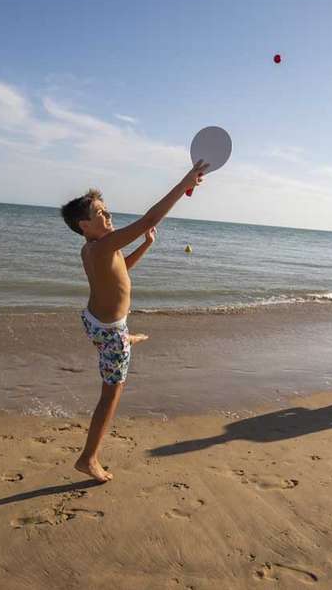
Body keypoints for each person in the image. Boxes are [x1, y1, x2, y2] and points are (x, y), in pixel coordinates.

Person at [59, 160, 209, 482]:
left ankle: (124, 340)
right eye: (100, 213)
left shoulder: (93, 249)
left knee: (115, 345)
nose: (108, 216)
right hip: (109, 330)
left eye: (106, 210)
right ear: (85, 225)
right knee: (111, 394)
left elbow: (121, 270)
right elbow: (150, 219)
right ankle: (88, 458)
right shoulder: (103, 246)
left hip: (95, 323)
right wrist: (185, 182)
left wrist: (145, 245)